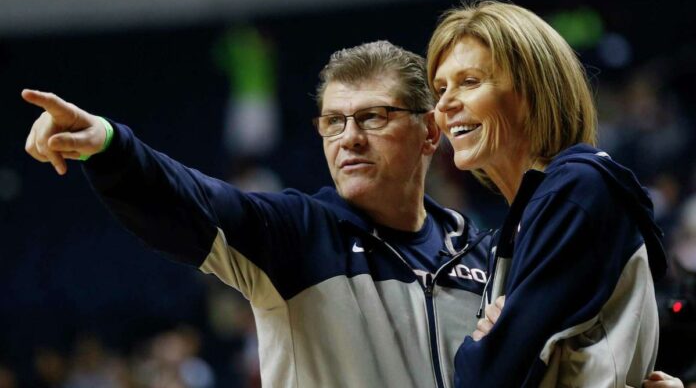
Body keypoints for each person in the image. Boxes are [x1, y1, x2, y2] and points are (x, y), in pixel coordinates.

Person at [22, 41, 492, 388]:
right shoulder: (298, 235)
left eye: (373, 117)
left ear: (429, 132)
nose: (349, 138)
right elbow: (189, 200)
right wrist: (109, 145)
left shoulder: (482, 258)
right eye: (333, 122)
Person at [427, 0, 669, 387]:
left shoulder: (575, 189)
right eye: (440, 88)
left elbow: (485, 378)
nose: (444, 104)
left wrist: (484, 344)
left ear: (531, 89)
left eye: (470, 82)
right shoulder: (530, 213)